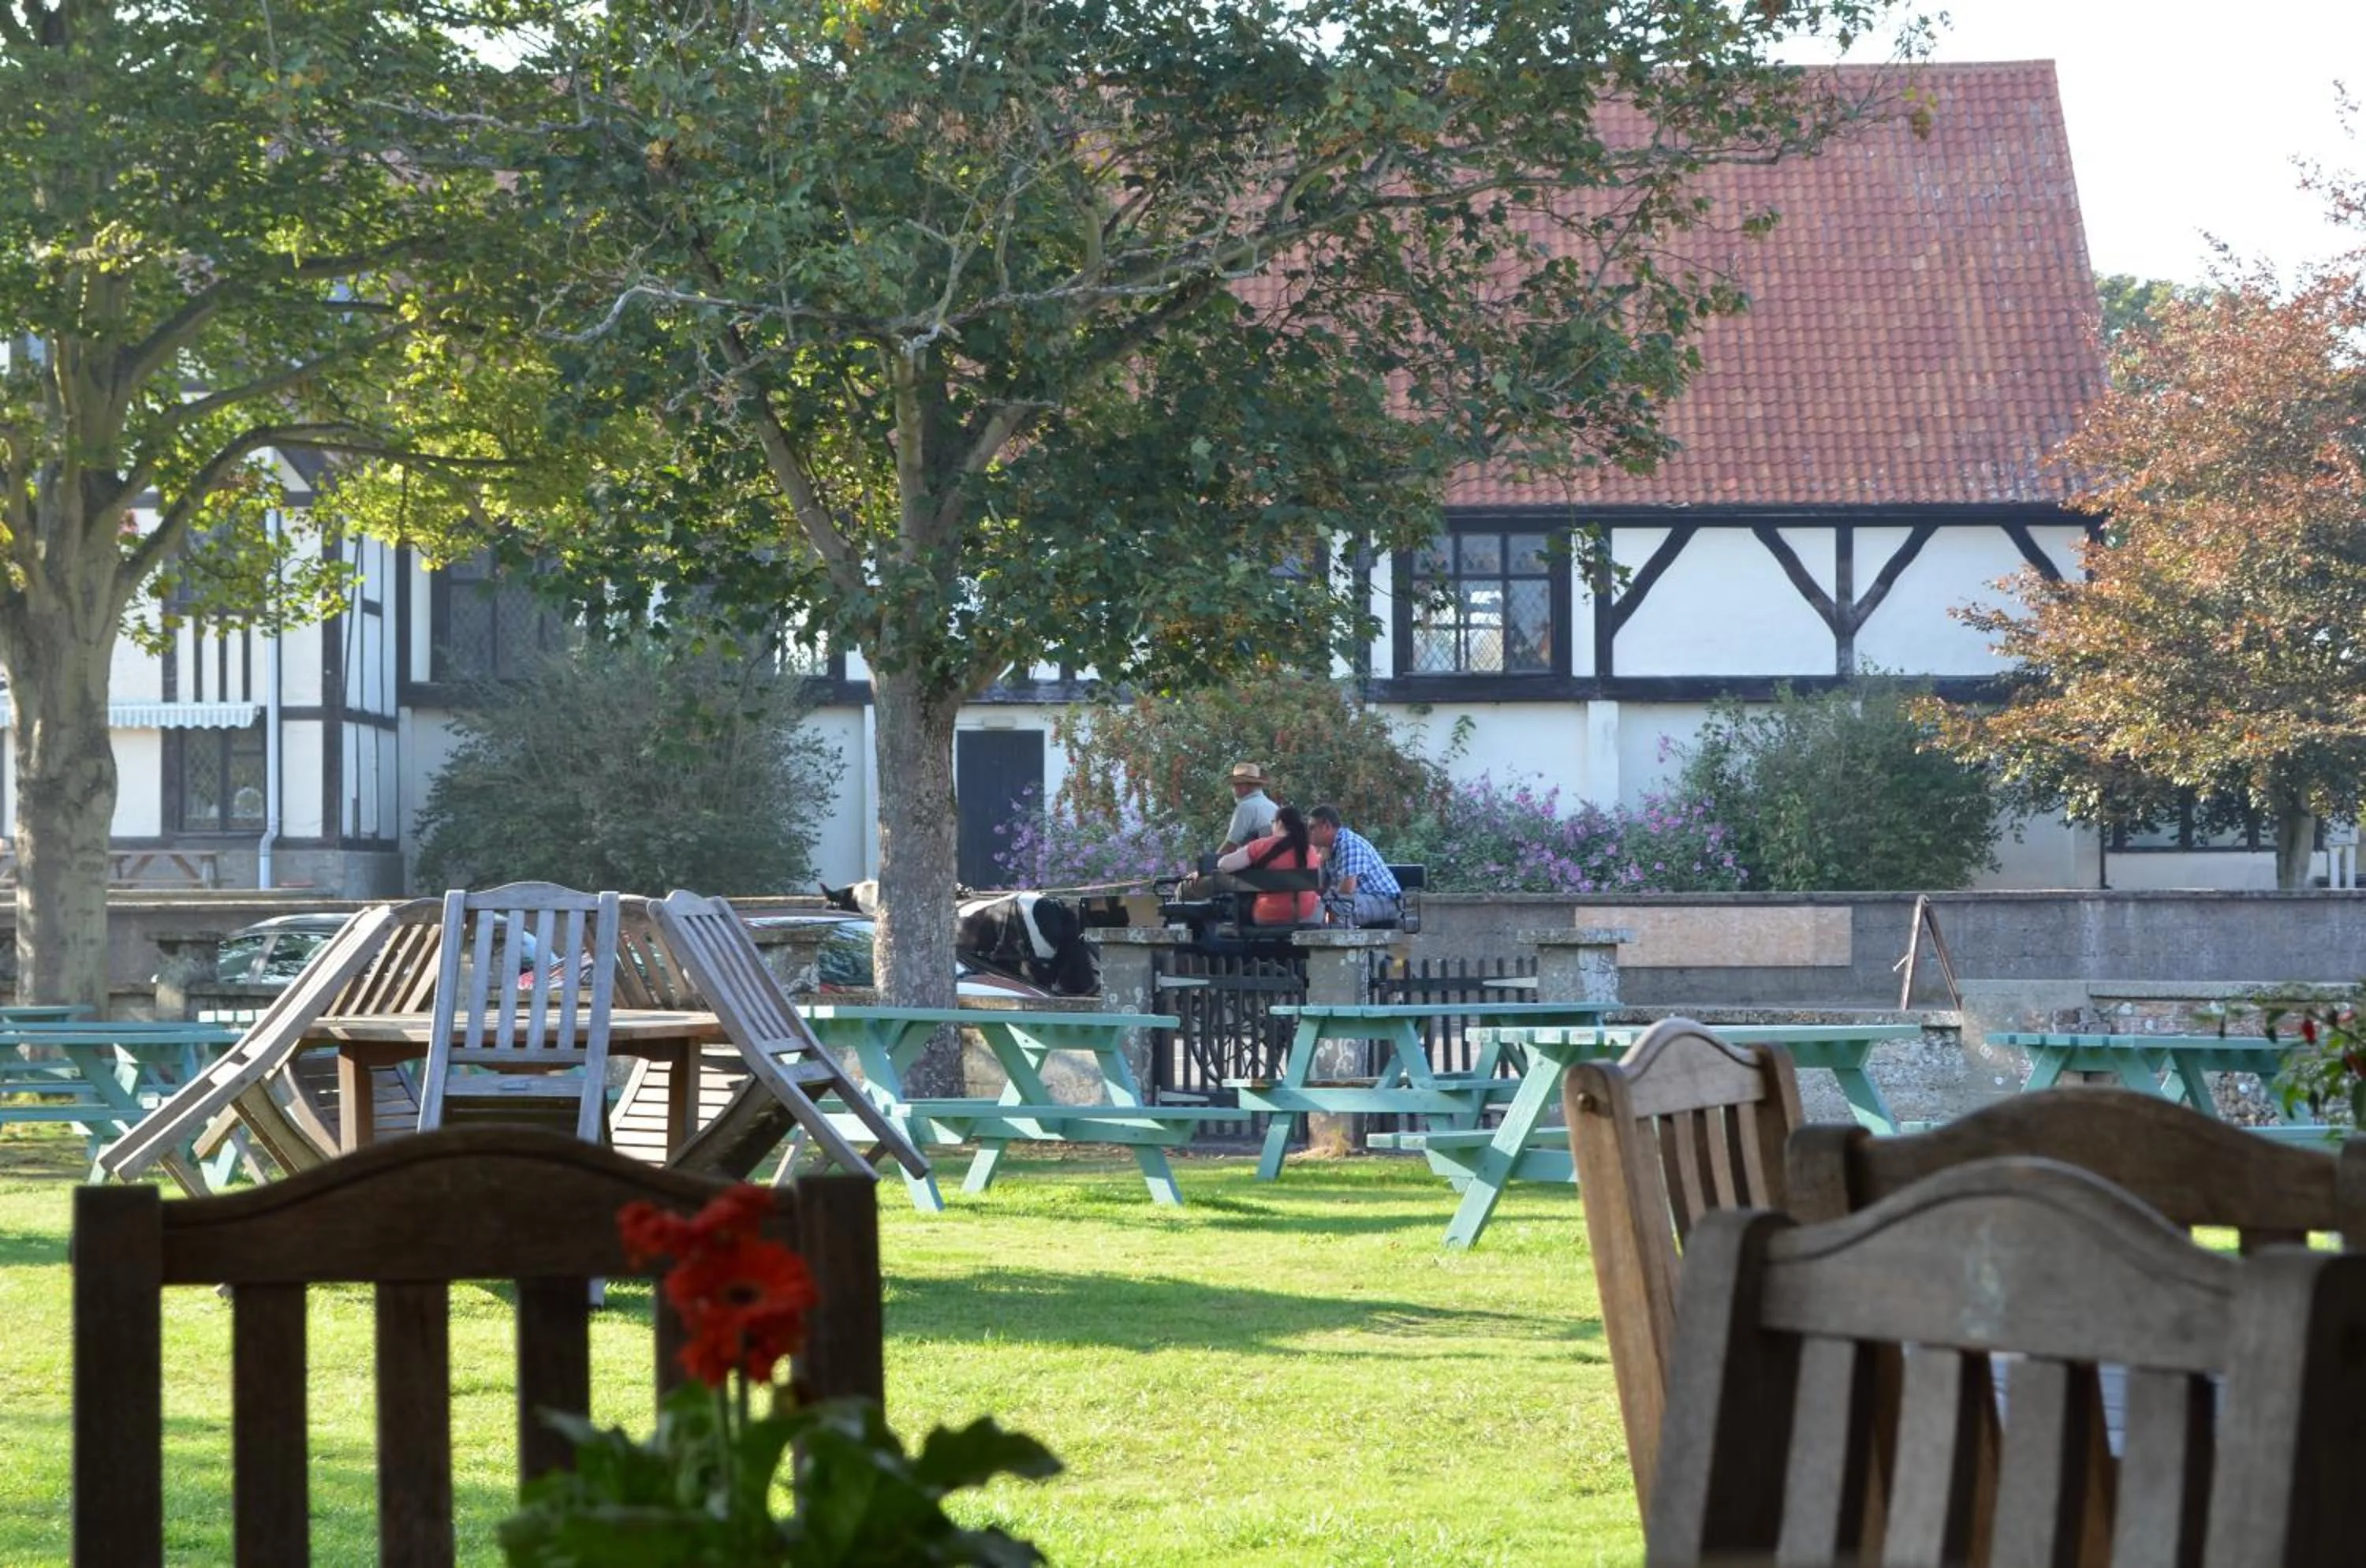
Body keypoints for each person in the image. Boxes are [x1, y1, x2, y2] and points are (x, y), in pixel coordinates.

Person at [1213, 805, 1322, 926]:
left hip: (1268, 915)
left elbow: (1223, 865)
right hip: (1306, 915)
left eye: (1273, 822)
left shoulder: (1261, 846)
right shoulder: (1311, 850)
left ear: (1279, 823)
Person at [1308, 804, 1403, 928]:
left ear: (1326, 827)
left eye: (1312, 827)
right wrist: (1321, 862)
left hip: (1386, 902)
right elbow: (1320, 890)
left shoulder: (1349, 844)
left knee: (1336, 908)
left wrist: (1325, 898)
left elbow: (1347, 890)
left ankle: (1343, 944)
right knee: (1319, 908)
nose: (1309, 832)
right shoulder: (1329, 849)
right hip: (1361, 900)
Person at [1217, 760, 1279, 854]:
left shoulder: (1246, 807)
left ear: (1246, 786)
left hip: (1253, 863)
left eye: (1236, 785)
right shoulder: (1274, 807)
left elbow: (1231, 844)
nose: (1234, 789)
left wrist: (1212, 861)